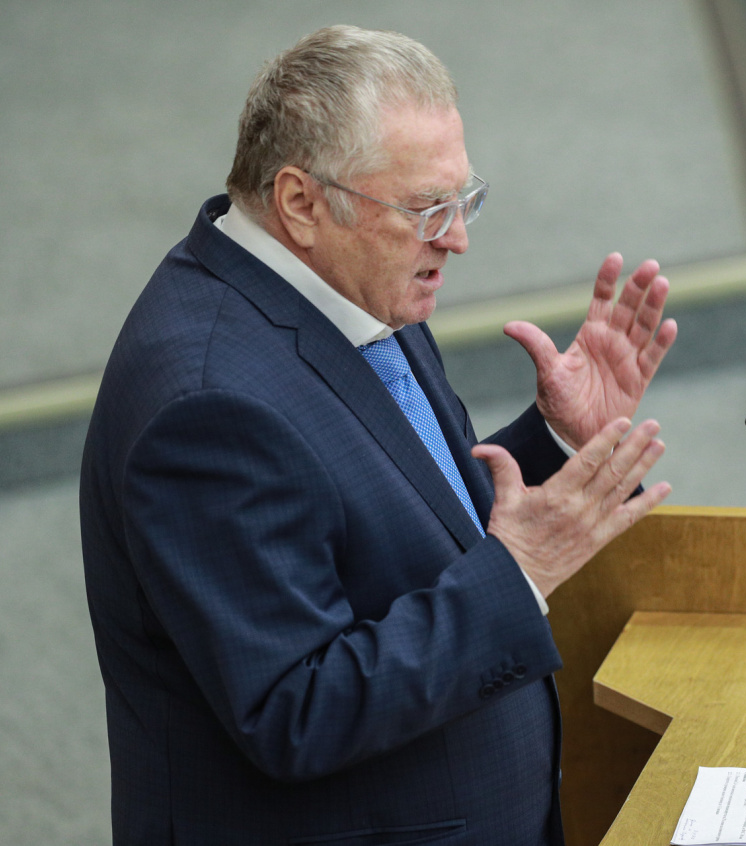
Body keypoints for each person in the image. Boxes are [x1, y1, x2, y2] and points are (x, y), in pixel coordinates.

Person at [79, 24, 676, 846]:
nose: (457, 237)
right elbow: (295, 709)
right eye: (426, 209)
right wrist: (522, 573)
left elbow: (409, 525)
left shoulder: (350, 288)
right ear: (301, 203)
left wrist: (556, 440)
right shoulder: (209, 408)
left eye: (464, 200)